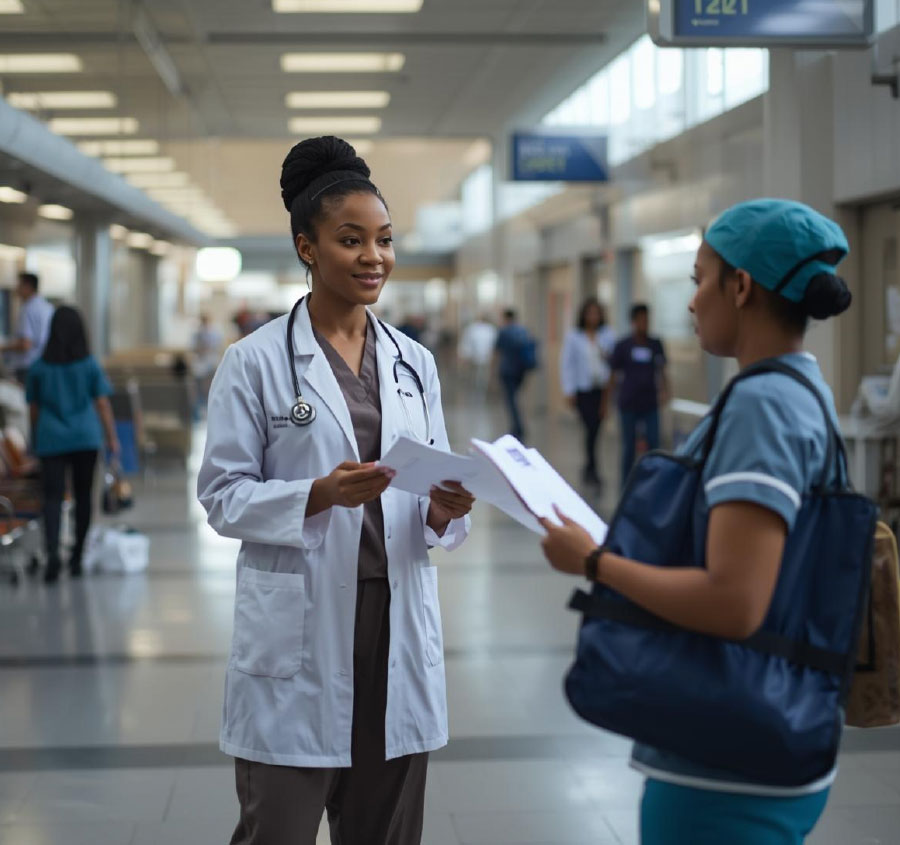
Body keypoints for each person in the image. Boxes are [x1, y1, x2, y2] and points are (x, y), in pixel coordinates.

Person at [538, 198, 855, 844]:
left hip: (729, 776)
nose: (690, 302)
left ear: (740, 286)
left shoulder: (763, 405)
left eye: (698, 280)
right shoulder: (800, 390)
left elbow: (735, 600)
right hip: (760, 746)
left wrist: (594, 562)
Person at [198, 136, 475, 845]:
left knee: (384, 831)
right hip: (303, 621)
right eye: (350, 240)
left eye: (383, 240)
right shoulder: (254, 362)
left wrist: (446, 509)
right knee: (278, 830)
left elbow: (431, 486)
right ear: (307, 247)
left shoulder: (415, 362)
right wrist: (315, 494)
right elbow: (222, 495)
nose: (373, 257)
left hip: (396, 619)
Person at [26, 306, 119, 584]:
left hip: (51, 438)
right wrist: (113, 439)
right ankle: (77, 557)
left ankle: (52, 553)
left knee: (52, 498)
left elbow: (33, 408)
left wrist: (35, 437)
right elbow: (102, 404)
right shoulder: (88, 364)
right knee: (82, 497)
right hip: (85, 438)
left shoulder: (39, 368)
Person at [609, 304, 669, 488]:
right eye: (641, 320)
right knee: (629, 447)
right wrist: (608, 401)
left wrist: (665, 391)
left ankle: (652, 484)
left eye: (647, 319)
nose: (645, 323)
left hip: (649, 402)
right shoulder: (623, 345)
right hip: (628, 403)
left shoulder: (655, 344)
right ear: (634, 322)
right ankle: (626, 486)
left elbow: (662, 369)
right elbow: (613, 374)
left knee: (653, 443)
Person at [560, 298, 617, 485]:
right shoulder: (574, 337)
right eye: (589, 313)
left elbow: (613, 363)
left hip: (601, 390)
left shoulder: (607, 335)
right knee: (589, 427)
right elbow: (567, 365)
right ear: (583, 315)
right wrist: (569, 390)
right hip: (583, 390)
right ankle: (591, 467)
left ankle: (590, 466)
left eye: (596, 313)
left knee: (596, 428)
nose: (593, 317)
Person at [1, 272, 55, 384]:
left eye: (19, 285)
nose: (16, 288)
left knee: (26, 400)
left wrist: (3, 347)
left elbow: (25, 344)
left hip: (28, 366)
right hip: (45, 363)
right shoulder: (48, 307)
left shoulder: (28, 309)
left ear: (27, 286)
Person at [495, 308, 534, 441]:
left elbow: (497, 351)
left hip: (507, 370)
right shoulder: (523, 331)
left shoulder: (504, 331)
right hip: (521, 370)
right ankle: (519, 425)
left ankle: (517, 427)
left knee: (511, 400)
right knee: (516, 398)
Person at [458, 314, 498, 397]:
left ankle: (478, 388)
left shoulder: (473, 329)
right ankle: (481, 388)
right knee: (482, 374)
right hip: (485, 357)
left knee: (476, 374)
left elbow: (466, 343)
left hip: (475, 357)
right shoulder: (491, 329)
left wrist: (464, 356)